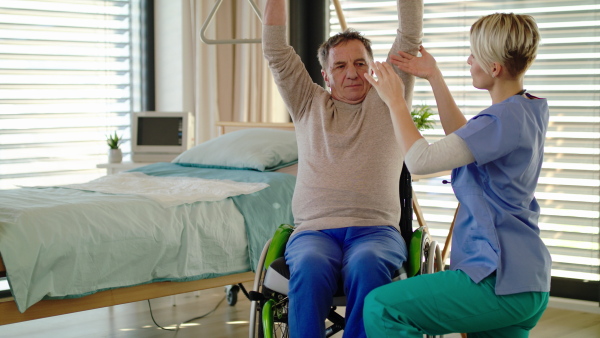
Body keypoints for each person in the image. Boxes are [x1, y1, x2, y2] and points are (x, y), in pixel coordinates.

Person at [362, 13, 551, 337]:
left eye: (474, 54)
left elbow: (420, 160)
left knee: (382, 306)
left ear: (494, 68)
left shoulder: (502, 120)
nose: (468, 60)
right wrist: (434, 77)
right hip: (527, 282)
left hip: (497, 279)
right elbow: (466, 137)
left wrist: (395, 101)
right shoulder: (528, 108)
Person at [262, 0, 423, 337]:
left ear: (373, 67)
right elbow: (276, 50)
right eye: (340, 66)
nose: (352, 72)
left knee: (367, 264)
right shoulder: (307, 102)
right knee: (308, 265)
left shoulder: (389, 98)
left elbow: (408, 35)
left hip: (375, 231)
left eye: (360, 63)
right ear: (325, 74)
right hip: (314, 233)